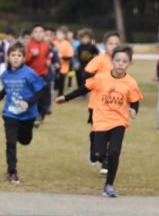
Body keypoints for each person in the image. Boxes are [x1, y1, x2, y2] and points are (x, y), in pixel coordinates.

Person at [57, 45, 143, 197]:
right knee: (98, 155)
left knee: (114, 152)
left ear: (129, 63)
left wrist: (134, 110)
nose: (120, 64)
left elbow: (135, 100)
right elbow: (83, 89)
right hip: (101, 120)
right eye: (117, 60)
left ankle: (109, 185)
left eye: (124, 61)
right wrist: (66, 98)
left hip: (119, 121)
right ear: (112, 61)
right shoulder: (101, 78)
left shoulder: (131, 83)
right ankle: (95, 151)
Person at [0, 42, 46, 183]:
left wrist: (28, 103)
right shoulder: (5, 74)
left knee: (25, 140)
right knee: (10, 142)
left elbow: (41, 90)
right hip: (10, 113)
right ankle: (12, 172)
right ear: (8, 57)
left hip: (28, 114)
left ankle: (24, 135)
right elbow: (7, 88)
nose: (16, 58)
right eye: (13, 55)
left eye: (19, 55)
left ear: (23, 58)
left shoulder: (29, 73)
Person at [82, 31, 120, 167]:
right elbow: (85, 74)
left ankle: (105, 160)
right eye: (111, 44)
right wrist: (94, 83)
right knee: (96, 131)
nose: (114, 46)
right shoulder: (99, 59)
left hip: (114, 105)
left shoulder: (121, 61)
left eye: (116, 44)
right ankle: (94, 149)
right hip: (96, 103)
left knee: (111, 132)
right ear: (104, 46)